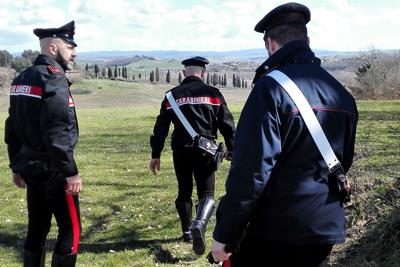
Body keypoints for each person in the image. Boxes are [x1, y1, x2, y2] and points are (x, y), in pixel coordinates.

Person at [210, 3, 358, 266]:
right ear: (307, 40)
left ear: (270, 44)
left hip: (274, 231)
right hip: (324, 228)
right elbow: (343, 161)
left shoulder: (270, 88)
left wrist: (225, 233)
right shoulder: (342, 93)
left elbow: (252, 171)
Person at [4, 21, 82, 267]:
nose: (74, 52)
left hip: (30, 167)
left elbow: (11, 126)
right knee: (71, 231)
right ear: (52, 48)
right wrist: (70, 172)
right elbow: (58, 129)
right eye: (69, 46)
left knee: (36, 228)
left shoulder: (22, 78)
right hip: (55, 170)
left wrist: (16, 165)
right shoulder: (54, 79)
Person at [149, 56, 235, 255]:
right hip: (206, 151)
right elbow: (228, 125)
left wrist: (156, 154)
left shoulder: (171, 97)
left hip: (181, 150)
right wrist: (232, 149)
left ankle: (188, 232)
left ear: (183, 73)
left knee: (184, 191)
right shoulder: (213, 94)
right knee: (207, 194)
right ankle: (200, 224)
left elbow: (160, 128)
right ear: (203, 73)